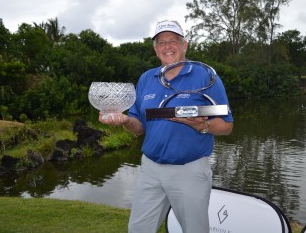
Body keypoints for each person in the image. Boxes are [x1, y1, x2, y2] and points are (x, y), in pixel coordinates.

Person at [99, 20, 233, 233]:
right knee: (138, 229)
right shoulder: (146, 78)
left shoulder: (206, 76)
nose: (167, 46)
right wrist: (125, 121)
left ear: (184, 45)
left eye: (173, 41)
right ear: (155, 50)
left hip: (189, 170)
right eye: (162, 42)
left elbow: (227, 126)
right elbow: (139, 126)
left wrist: (202, 126)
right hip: (150, 170)